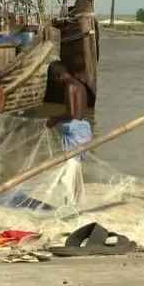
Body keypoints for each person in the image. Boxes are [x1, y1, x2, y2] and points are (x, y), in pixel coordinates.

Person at [46, 61, 92, 206]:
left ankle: (70, 205)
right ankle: (76, 202)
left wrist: (55, 119)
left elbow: (71, 113)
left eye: (54, 79)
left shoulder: (69, 86)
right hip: (83, 129)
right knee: (75, 168)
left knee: (69, 171)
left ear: (58, 76)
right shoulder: (79, 84)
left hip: (75, 132)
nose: (56, 83)